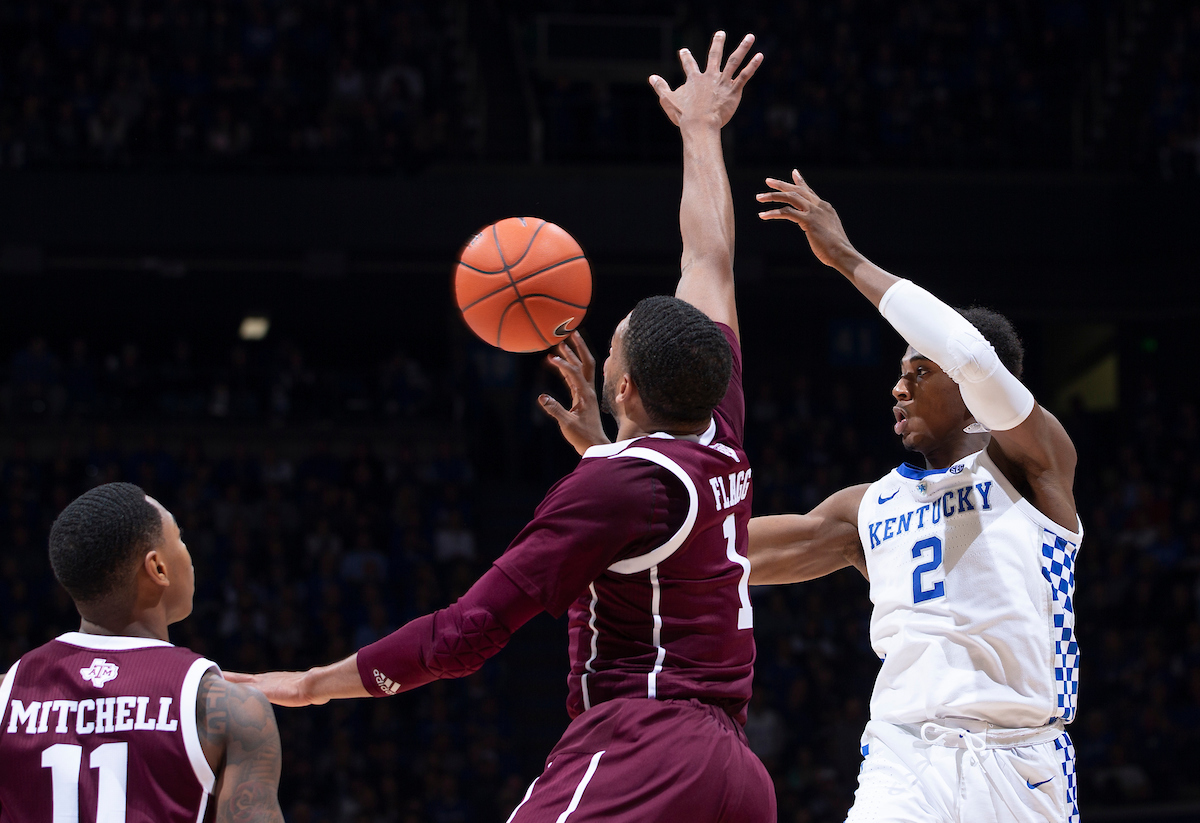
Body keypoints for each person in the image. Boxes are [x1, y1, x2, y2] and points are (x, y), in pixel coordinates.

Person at [227, 31, 776, 822]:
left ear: (621, 382)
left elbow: (468, 631)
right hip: (733, 768)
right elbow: (710, 259)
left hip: (645, 746)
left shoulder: (613, 483)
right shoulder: (717, 427)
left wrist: (312, 685)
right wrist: (700, 132)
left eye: (613, 333)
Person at [747, 171, 1083, 823]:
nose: (898, 389)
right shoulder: (867, 507)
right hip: (904, 760)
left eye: (919, 371)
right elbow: (721, 549)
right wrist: (614, 473)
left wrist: (844, 257)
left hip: (1021, 763)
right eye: (899, 375)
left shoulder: (1031, 464)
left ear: (970, 389)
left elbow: (973, 354)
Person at [0, 482, 285, 823]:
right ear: (158, 569)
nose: (187, 551)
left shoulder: (7, 694)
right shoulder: (226, 706)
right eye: (178, 538)